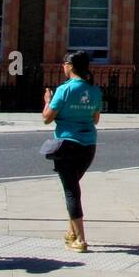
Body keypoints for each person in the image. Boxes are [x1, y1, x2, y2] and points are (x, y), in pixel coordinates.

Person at [42, 51, 103, 254]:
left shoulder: (63, 90)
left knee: (71, 192)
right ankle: (71, 233)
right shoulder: (94, 90)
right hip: (89, 146)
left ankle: (80, 239)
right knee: (74, 187)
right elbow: (95, 119)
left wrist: (47, 102)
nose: (62, 66)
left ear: (70, 66)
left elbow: (47, 118)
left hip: (67, 144)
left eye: (64, 63)